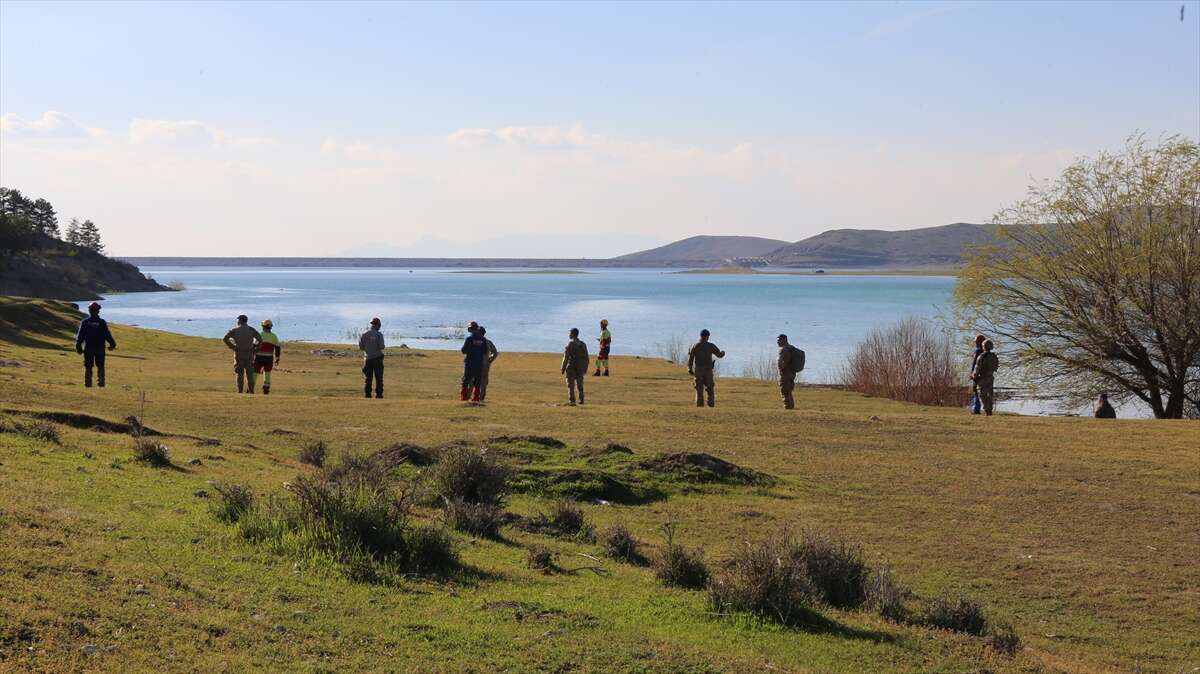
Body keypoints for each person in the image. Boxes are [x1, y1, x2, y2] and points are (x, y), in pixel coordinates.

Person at [75, 301, 116, 388]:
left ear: (89, 311)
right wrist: (112, 344)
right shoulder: (102, 322)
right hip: (100, 348)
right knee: (100, 365)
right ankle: (101, 382)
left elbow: (80, 335)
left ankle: (88, 383)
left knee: (88, 366)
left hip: (88, 348)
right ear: (98, 311)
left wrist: (78, 346)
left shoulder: (85, 322)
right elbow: (107, 335)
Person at [223, 315, 261, 394]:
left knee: (239, 374)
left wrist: (233, 347)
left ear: (241, 320)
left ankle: (240, 391)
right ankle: (251, 391)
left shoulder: (235, 330)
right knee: (250, 374)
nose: (237, 321)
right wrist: (255, 349)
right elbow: (260, 340)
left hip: (239, 354)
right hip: (249, 354)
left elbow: (225, 338)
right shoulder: (251, 329)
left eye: (238, 320)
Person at [687, 329, 726, 407]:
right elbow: (719, 355)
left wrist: (690, 369)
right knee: (710, 388)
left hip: (698, 370)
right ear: (707, 337)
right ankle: (711, 405)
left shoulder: (695, 346)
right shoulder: (710, 346)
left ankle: (699, 405)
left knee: (699, 389)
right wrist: (723, 353)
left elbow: (690, 359)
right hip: (708, 370)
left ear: (700, 336)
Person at [561, 327, 590, 405]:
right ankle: (581, 400)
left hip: (571, 367)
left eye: (570, 333)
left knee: (570, 385)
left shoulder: (570, 344)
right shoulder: (583, 344)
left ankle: (572, 400)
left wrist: (563, 368)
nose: (569, 335)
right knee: (580, 384)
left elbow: (566, 357)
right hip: (580, 367)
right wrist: (585, 368)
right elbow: (587, 358)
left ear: (573, 334)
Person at [358, 317, 386, 399]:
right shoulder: (379, 335)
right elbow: (382, 347)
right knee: (379, 379)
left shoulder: (363, 334)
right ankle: (379, 395)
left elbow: (361, 347)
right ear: (378, 325)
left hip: (367, 359)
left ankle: (367, 395)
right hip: (377, 359)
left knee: (368, 379)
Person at [776, 334, 805, 410]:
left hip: (786, 373)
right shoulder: (791, 348)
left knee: (785, 390)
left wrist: (781, 369)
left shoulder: (783, 349)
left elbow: (781, 363)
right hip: (792, 373)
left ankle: (788, 407)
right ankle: (791, 406)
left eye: (779, 340)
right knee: (789, 390)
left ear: (783, 340)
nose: (777, 342)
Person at [460, 322, 488, 402]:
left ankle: (464, 398)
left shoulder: (469, 339)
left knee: (466, 381)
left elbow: (463, 350)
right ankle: (476, 398)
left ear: (471, 329)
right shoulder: (483, 339)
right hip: (479, 363)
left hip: (469, 363)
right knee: (477, 381)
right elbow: (485, 351)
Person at [971, 339, 1000, 416]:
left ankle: (987, 410)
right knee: (990, 394)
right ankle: (989, 409)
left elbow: (977, 367)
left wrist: (974, 375)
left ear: (984, 346)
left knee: (982, 394)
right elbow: (996, 367)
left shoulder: (982, 356)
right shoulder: (994, 356)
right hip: (990, 377)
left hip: (982, 377)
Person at [254, 319, 282, 395]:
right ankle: (266, 390)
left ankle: (250, 388)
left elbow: (254, 346)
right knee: (267, 374)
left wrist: (252, 356)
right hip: (269, 358)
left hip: (258, 357)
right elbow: (278, 348)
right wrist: (277, 358)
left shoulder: (259, 335)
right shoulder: (274, 336)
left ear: (263, 327)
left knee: (255, 373)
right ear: (270, 327)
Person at [478, 326, 499, 402]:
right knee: (483, 383)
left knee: (474, 381)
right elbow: (495, 353)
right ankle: (481, 399)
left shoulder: (474, 341)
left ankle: (476, 398)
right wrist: (490, 360)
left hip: (477, 364)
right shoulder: (488, 342)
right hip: (485, 364)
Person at [969, 334, 986, 414]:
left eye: (976, 342)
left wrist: (972, 373)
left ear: (979, 342)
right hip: (985, 375)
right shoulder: (986, 352)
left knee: (975, 390)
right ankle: (987, 408)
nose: (975, 343)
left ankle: (976, 409)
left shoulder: (978, 351)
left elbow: (974, 363)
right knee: (984, 392)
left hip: (977, 374)